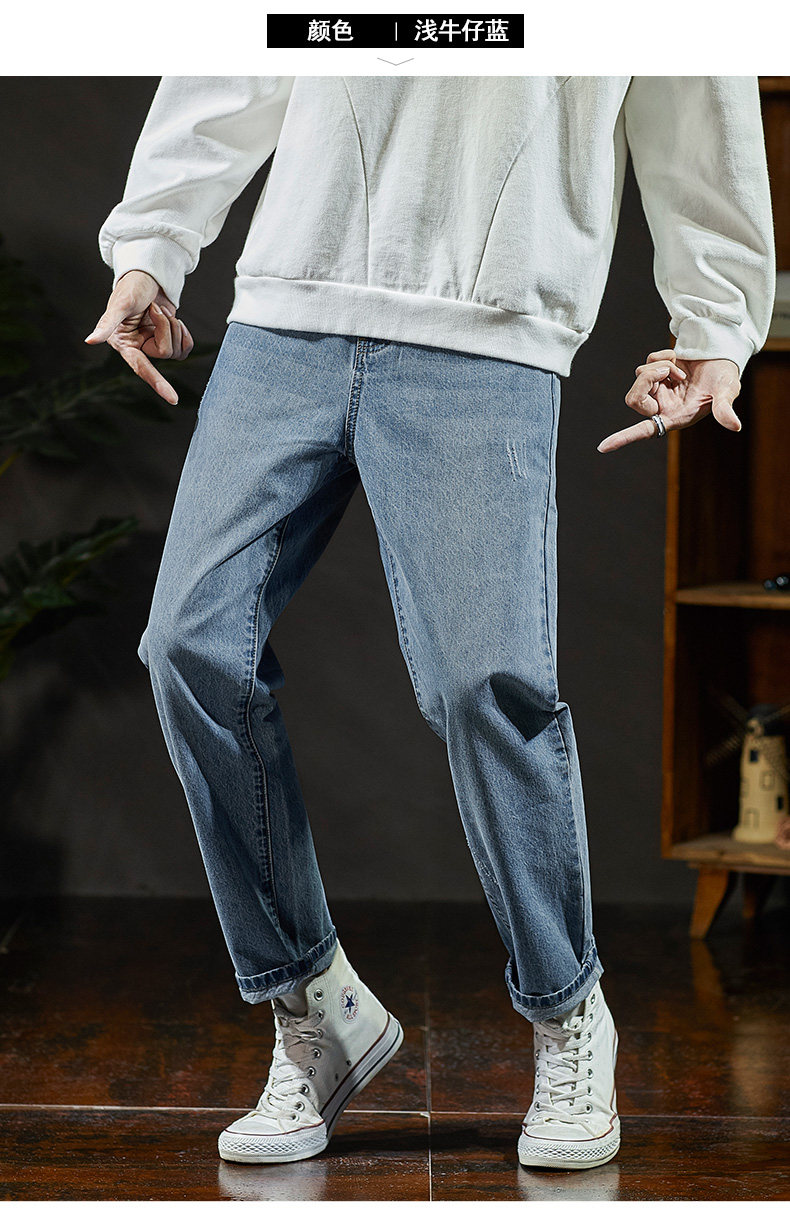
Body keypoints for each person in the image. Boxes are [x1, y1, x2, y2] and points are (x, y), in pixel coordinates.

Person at [86, 76, 775, 1171]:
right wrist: (151, 249)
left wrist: (716, 325)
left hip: (489, 331)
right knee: (187, 643)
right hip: (288, 311)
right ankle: (313, 1006)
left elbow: (700, 106)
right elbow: (239, 44)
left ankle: (568, 1009)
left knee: (483, 682)